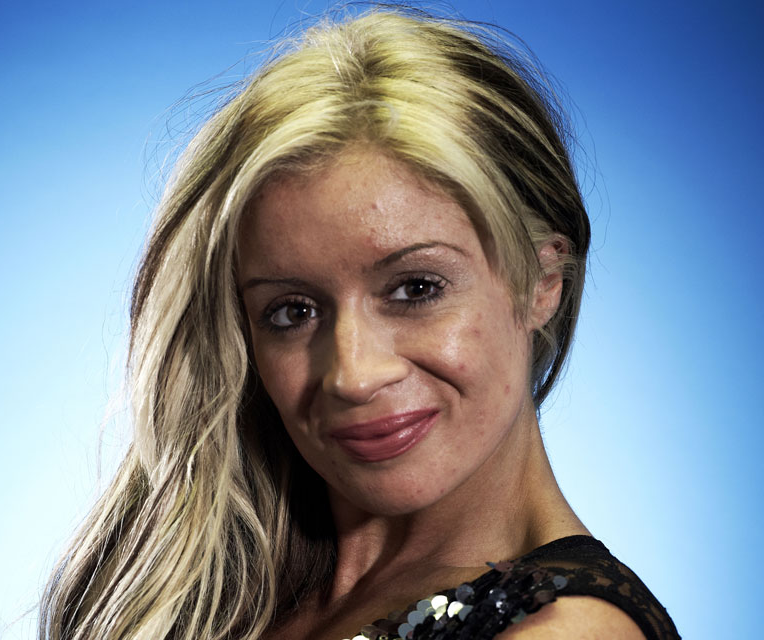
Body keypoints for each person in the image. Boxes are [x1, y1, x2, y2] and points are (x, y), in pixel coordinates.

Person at [39, 6, 679, 640]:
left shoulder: (566, 631)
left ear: (543, 281)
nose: (353, 375)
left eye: (416, 289)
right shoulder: (206, 590)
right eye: (293, 311)